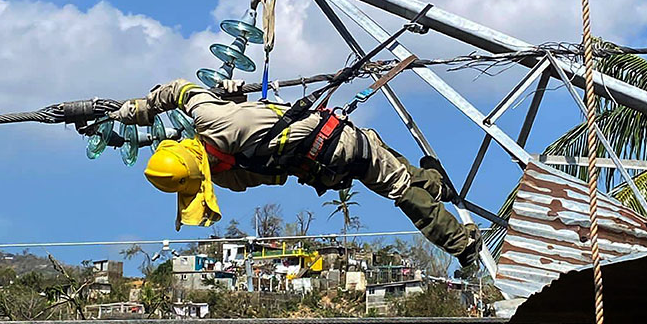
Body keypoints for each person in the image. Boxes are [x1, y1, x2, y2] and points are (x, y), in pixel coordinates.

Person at [112, 78, 481, 269]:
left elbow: (273, 171)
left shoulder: (227, 176)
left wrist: (236, 105)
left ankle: (436, 184)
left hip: (327, 169)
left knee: (389, 164)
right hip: (342, 143)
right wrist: (144, 108)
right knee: (400, 186)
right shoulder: (213, 118)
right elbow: (179, 90)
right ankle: (462, 244)